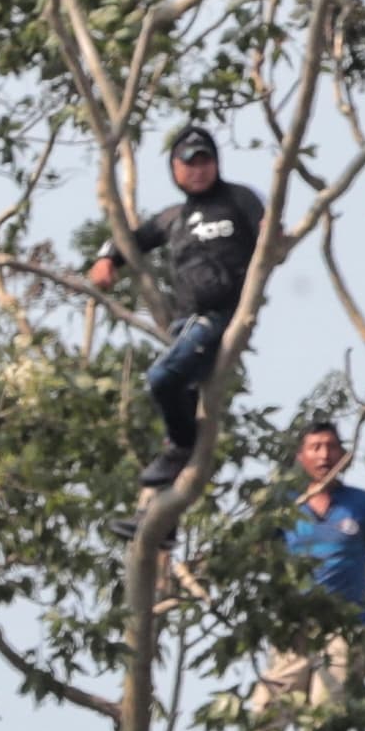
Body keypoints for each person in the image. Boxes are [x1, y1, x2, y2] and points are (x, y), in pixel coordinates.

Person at [88, 126, 266, 490]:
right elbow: (130, 240)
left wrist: (275, 236)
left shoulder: (239, 199)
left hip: (221, 319)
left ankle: (180, 447)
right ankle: (161, 517)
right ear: (174, 168)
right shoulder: (173, 217)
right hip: (185, 326)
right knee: (183, 406)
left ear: (216, 164)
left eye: (205, 161)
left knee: (161, 379)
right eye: (189, 163)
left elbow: (269, 232)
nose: (197, 170)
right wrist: (106, 259)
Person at [245, 413, 365, 731]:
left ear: (344, 455)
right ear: (301, 456)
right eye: (315, 447)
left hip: (344, 628)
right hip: (292, 628)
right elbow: (257, 559)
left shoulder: (363, 504)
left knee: (326, 717)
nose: (324, 454)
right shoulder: (284, 505)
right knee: (265, 711)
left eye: (331, 447)